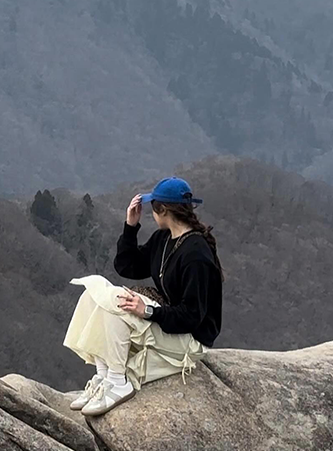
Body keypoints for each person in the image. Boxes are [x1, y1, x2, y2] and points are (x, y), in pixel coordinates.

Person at [62, 176, 224, 416]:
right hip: (170, 322)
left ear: (162, 209)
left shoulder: (196, 255)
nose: (151, 213)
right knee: (95, 295)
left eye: (152, 208)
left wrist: (148, 311)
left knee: (119, 306)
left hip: (190, 338)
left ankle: (118, 381)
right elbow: (127, 266)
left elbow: (192, 317)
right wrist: (130, 227)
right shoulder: (164, 239)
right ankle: (103, 376)